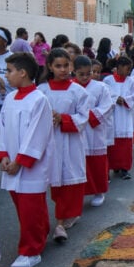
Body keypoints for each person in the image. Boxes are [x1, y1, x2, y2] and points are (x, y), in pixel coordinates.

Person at [0, 52, 54, 267]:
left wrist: (20, 161)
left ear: (23, 73)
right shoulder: (10, 98)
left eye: (9, 71)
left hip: (30, 166)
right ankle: (40, 232)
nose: (6, 75)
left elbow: (36, 135)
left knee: (31, 207)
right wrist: (3, 155)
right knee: (22, 205)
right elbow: (1, 127)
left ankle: (31, 251)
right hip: (11, 162)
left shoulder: (39, 99)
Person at [38, 48, 90, 244]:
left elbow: (83, 117)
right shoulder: (41, 91)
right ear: (50, 67)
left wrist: (63, 119)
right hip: (49, 141)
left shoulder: (78, 91)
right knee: (54, 179)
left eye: (66, 65)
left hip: (70, 141)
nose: (63, 70)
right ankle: (62, 216)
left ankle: (61, 221)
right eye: (58, 66)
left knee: (70, 178)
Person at [73, 55, 113, 207]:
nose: (85, 77)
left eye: (88, 73)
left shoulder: (100, 87)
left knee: (96, 163)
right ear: (74, 71)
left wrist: (87, 116)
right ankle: (79, 192)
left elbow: (107, 106)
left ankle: (99, 191)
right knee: (78, 163)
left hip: (93, 131)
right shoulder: (71, 87)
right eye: (80, 74)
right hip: (76, 131)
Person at [104, 56, 134, 179]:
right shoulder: (108, 80)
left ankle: (125, 168)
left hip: (124, 116)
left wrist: (125, 100)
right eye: (127, 68)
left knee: (125, 146)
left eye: (130, 69)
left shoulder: (131, 82)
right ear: (118, 67)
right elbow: (104, 95)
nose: (128, 72)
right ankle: (109, 169)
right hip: (112, 116)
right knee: (111, 145)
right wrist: (115, 99)